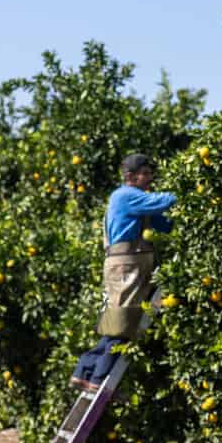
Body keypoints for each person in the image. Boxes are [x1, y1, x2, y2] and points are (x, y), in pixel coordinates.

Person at [70, 153, 176, 392]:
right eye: (145, 174)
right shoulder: (126, 195)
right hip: (126, 265)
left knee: (119, 321)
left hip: (130, 265)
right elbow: (165, 202)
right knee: (123, 323)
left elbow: (164, 223)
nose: (150, 179)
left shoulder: (138, 202)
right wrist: (187, 190)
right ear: (130, 177)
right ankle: (97, 379)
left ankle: (84, 370)